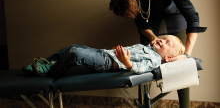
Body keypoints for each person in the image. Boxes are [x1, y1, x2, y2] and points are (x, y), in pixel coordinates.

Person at [108, 0, 207, 107]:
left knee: (180, 65)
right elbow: (141, 23)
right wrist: (153, 38)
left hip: (174, 12)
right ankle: (144, 104)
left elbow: (192, 17)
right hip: (148, 17)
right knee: (141, 59)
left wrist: (186, 56)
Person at [22, 35, 184, 76]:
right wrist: (116, 51)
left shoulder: (155, 60)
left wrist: (127, 62)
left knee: (76, 54)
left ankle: (50, 71)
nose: (162, 41)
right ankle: (47, 62)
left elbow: (140, 68)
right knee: (72, 47)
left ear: (168, 58)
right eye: (163, 38)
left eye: (167, 43)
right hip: (105, 54)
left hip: (106, 63)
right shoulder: (147, 48)